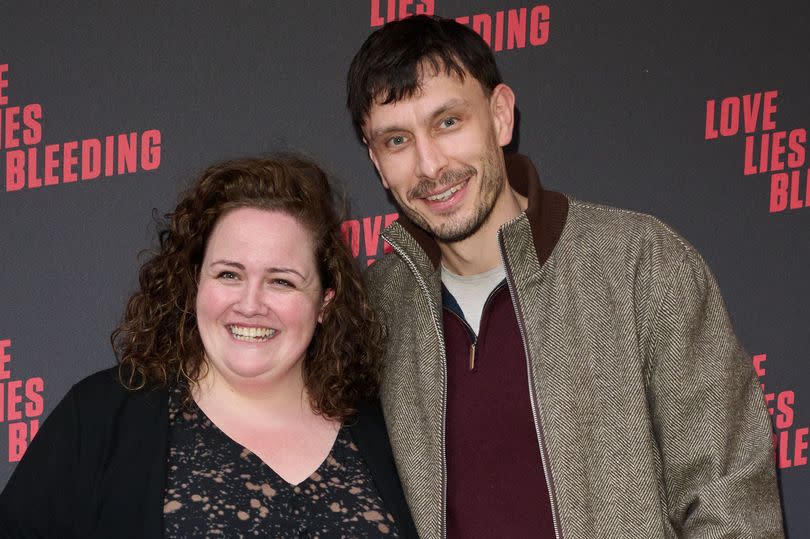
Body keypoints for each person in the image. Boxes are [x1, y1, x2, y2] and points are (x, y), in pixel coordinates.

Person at [346, 15, 783, 539]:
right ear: (375, 160)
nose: (430, 165)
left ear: (501, 116)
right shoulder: (374, 311)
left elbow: (731, 503)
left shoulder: (642, 264)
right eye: (397, 141)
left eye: (448, 122)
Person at [0, 156, 418, 538]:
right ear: (196, 282)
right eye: (229, 275)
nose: (251, 304)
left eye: (282, 281)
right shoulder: (98, 418)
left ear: (324, 303)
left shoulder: (390, 433)